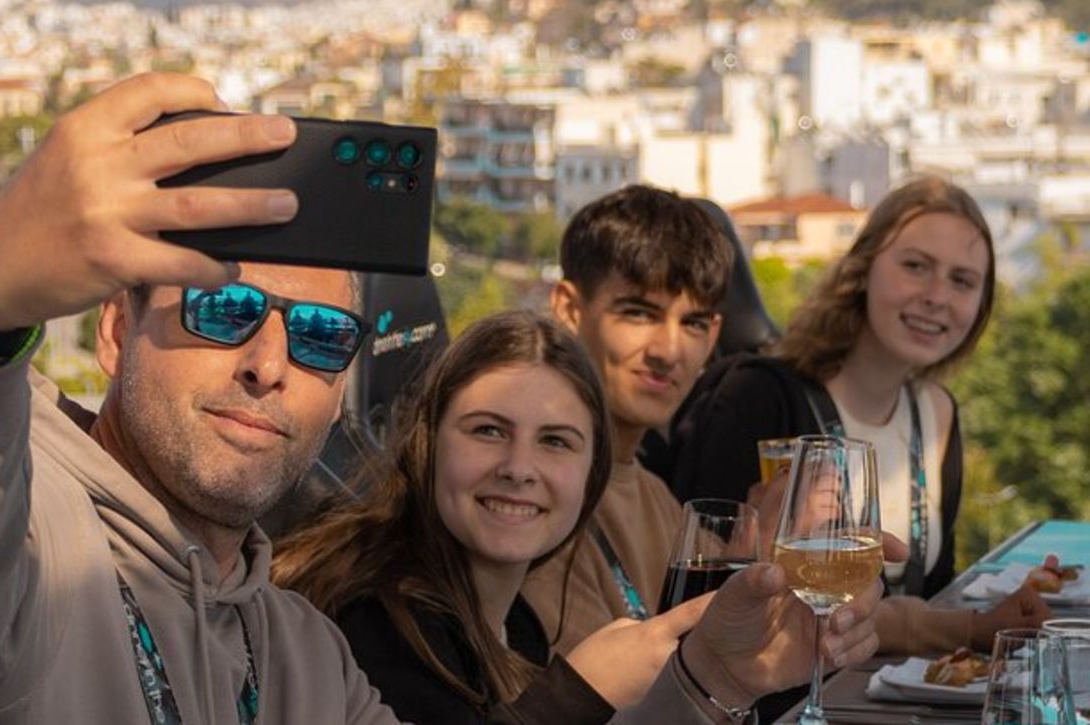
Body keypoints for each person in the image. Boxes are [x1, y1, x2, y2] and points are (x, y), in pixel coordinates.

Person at [0, 73, 883, 724]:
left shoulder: (292, 650)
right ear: (113, 329)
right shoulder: (19, 547)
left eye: (322, 336)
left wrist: (704, 684)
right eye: (225, 310)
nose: (270, 362)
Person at [274, 309, 889, 724]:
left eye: (555, 442)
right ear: (427, 445)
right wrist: (577, 695)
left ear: (593, 475)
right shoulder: (370, 624)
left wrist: (744, 678)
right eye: (488, 431)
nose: (519, 468)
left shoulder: (515, 622)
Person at [663, 174, 1051, 654]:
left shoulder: (937, 412)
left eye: (962, 281)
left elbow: (935, 591)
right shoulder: (758, 397)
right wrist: (965, 627)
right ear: (863, 269)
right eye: (915, 266)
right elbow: (693, 597)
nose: (937, 296)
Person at [519, 185, 739, 651]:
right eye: (639, 314)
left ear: (713, 334)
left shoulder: (656, 497)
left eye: (693, 323)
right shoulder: (529, 493)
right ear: (569, 309)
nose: (668, 351)